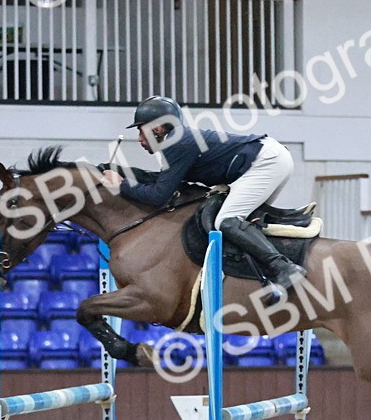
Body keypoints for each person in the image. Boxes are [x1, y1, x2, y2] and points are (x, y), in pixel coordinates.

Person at [100, 95, 306, 293]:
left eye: (141, 131)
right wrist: (121, 174)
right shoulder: (176, 141)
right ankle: (261, 278)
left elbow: (157, 196)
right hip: (269, 160)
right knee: (243, 225)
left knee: (227, 221)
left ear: (158, 128)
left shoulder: (176, 143)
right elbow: (161, 181)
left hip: (267, 163)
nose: (139, 139)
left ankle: (284, 268)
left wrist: (121, 185)